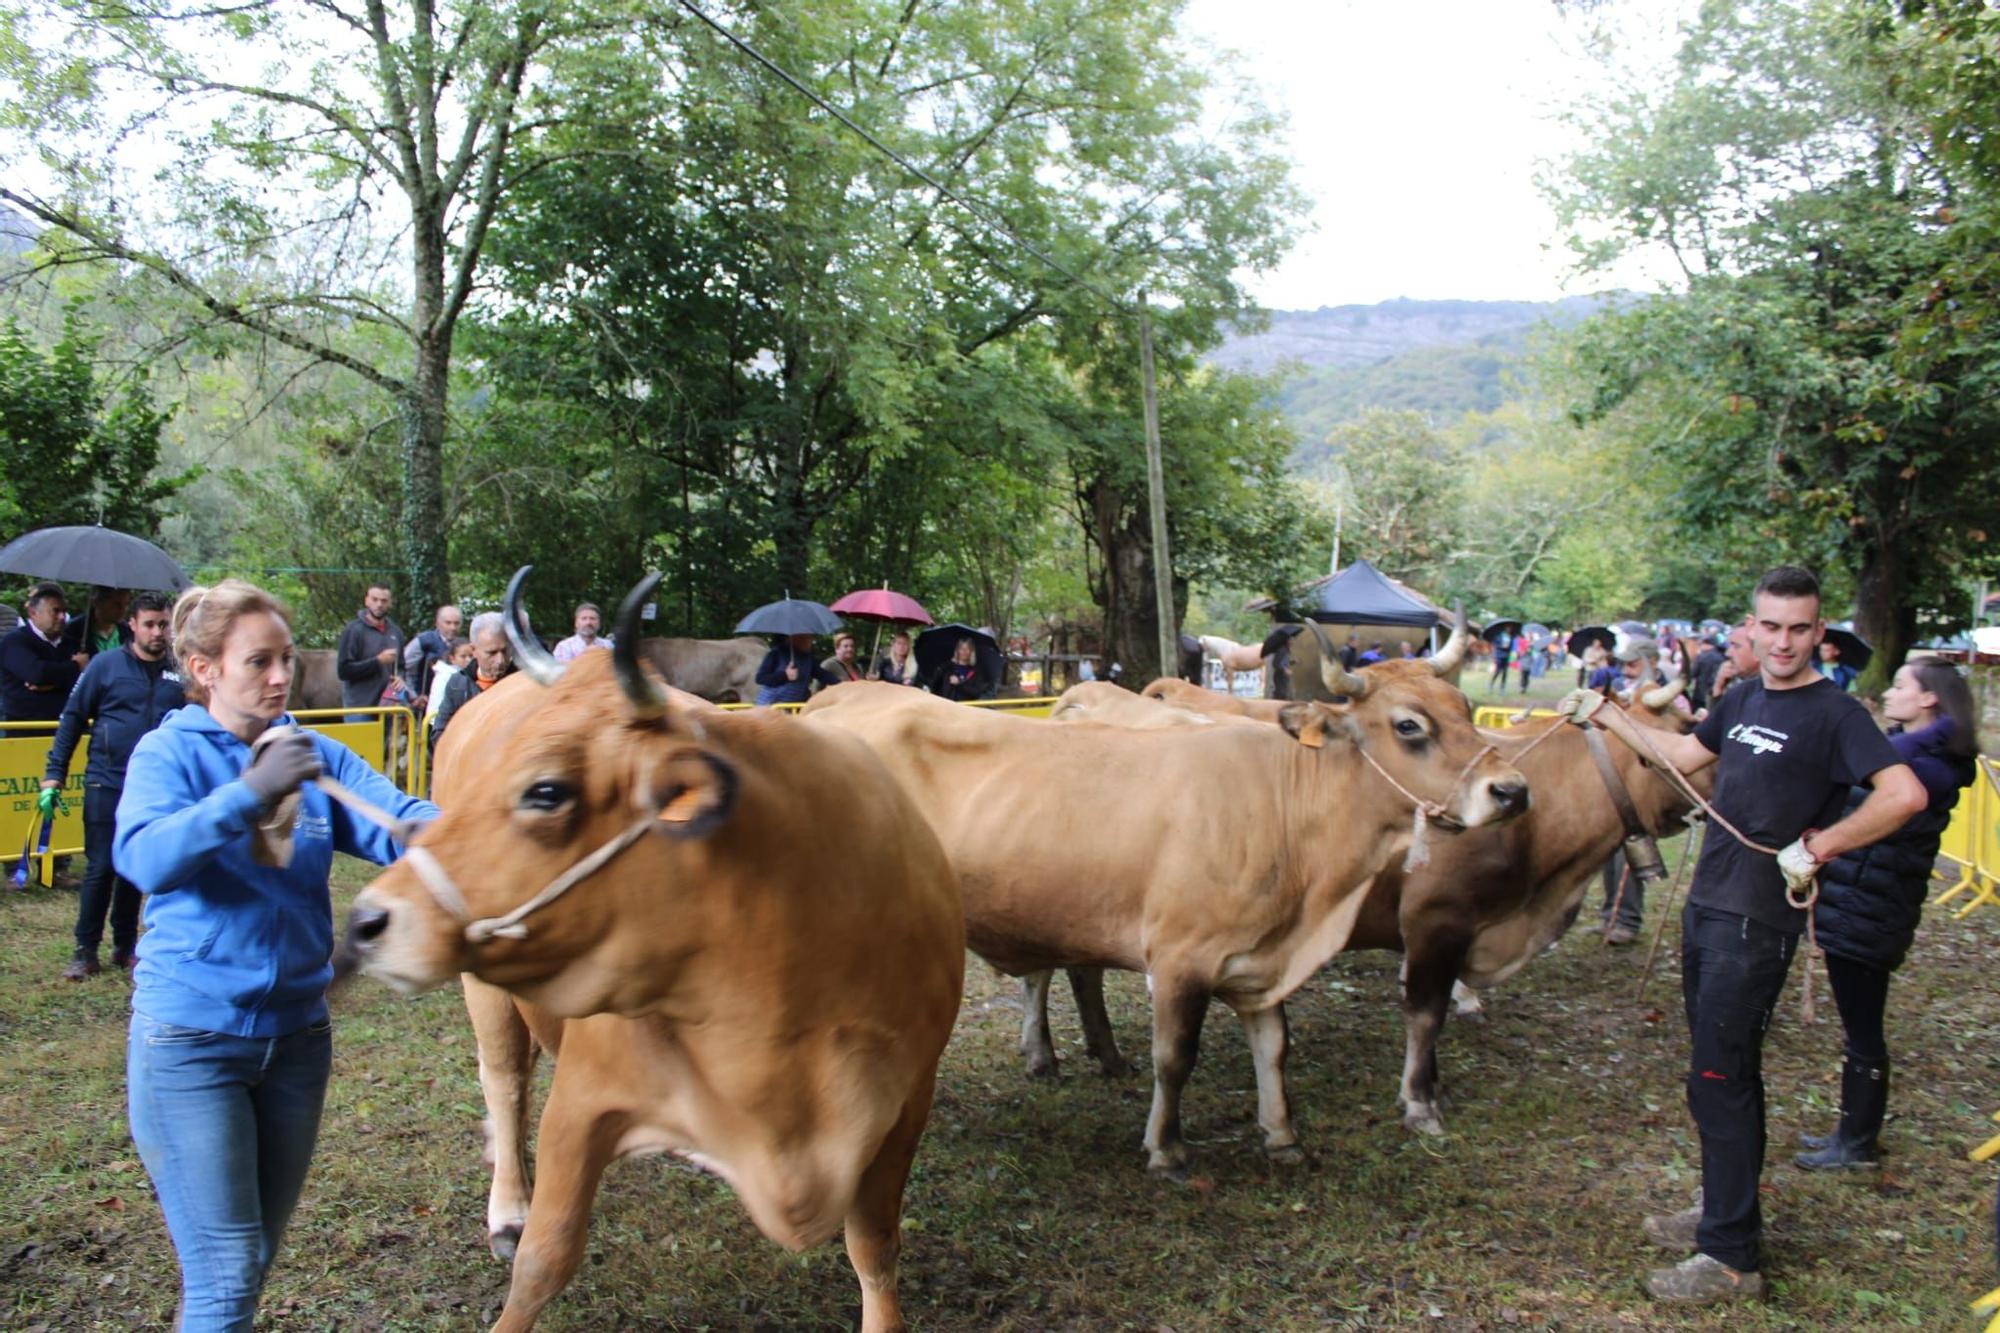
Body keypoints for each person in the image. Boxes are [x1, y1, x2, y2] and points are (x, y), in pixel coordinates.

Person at [1564, 566, 1924, 1304]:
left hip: (1758, 917)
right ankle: (1723, 1205)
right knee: (1715, 1073)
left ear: (1819, 632)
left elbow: (1905, 794)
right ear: (1752, 629)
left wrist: (1821, 846)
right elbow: (1682, 758)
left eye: (1800, 628)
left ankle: (1730, 1259)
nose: (1784, 641)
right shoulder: (1742, 696)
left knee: (1722, 1075)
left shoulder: (1838, 714)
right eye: (1772, 626)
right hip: (1710, 902)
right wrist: (1605, 714)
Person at [114, 579, 437, 1331]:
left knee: (249, 1260)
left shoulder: (311, 752)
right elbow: (146, 857)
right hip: (192, 1046)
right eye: (258, 660)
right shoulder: (169, 752)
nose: (280, 675)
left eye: (286, 658)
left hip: (297, 1043)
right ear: (203, 668)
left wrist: (474, 827)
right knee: (226, 1274)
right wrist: (248, 793)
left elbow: (398, 819)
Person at [1795, 656, 1977, 1171]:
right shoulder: (1910, 754)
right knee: (1860, 1025)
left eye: (1901, 686)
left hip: (1870, 910)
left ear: (1929, 699)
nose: (1890, 693)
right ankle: (1852, 1134)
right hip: (1862, 902)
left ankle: (1856, 1144)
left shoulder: (1921, 767)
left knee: (1864, 1028)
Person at [42, 591, 185, 980]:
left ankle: (125, 946)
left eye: (164, 625)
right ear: (133, 626)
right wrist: (55, 770)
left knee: (135, 869)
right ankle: (84, 949)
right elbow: (72, 719)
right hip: (107, 781)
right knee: (101, 867)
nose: (158, 632)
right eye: (150, 624)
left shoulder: (181, 673)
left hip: (156, 789)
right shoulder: (105, 667)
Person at [1, 582, 86, 722]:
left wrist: (53, 682)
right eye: (55, 611)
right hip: (24, 729)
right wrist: (75, 666)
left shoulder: (73, 643)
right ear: (33, 613)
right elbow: (37, 673)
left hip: (66, 725)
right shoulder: (14, 642)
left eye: (64, 611)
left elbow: (85, 680)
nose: (61, 617)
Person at [432, 613, 515, 740]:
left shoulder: (523, 683)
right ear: (473, 650)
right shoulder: (457, 684)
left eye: (505, 651)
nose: (500, 660)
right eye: (491, 653)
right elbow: (440, 734)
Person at [333, 583, 405, 724]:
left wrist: (401, 678)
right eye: (375, 599)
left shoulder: (396, 632)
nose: (379, 604)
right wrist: (377, 662)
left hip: (388, 707)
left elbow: (401, 666)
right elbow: (344, 671)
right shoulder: (353, 631)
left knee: (387, 747)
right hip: (359, 709)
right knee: (358, 746)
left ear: (390, 603)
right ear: (366, 600)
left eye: (384, 601)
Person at [400, 603, 463, 704]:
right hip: (424, 701)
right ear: (438, 623)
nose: (453, 627)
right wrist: (413, 696)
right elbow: (403, 666)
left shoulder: (463, 645)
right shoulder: (423, 642)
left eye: (456, 623)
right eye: (448, 623)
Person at [754, 633, 840, 706]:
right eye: (807, 638)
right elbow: (760, 678)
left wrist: (844, 684)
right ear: (795, 638)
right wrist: (784, 675)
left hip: (794, 708)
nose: (810, 642)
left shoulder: (808, 658)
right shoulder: (776, 653)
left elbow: (823, 675)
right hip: (772, 707)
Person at [58, 585, 132, 662]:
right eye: (116, 604)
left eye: (126, 604)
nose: (123, 610)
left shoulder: (128, 631)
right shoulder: (75, 631)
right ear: (97, 602)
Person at [423, 637, 473, 733]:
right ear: (452, 658)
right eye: (463, 656)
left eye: (471, 656)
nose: (468, 660)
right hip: (438, 724)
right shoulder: (445, 676)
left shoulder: (465, 674)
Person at [931, 636, 994, 701]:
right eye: (961, 648)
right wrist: (942, 669)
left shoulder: (976, 672)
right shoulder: (946, 668)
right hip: (947, 707)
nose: (964, 651)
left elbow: (977, 693)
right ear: (957, 650)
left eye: (967, 648)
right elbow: (935, 688)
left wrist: (960, 684)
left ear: (971, 651)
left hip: (965, 708)